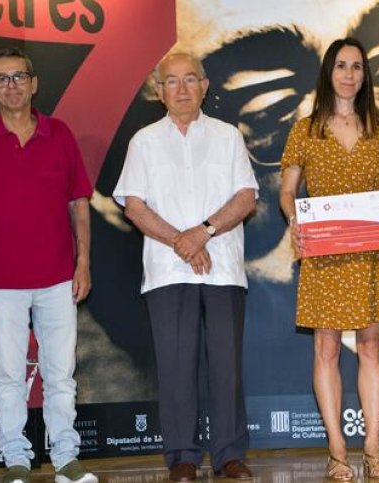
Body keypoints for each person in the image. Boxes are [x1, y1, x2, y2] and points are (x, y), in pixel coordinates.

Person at [113, 52, 258, 483]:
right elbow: (134, 206)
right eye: (171, 81)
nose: (181, 89)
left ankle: (229, 454)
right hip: (167, 270)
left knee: (226, 365)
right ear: (158, 92)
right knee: (176, 366)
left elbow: (246, 197)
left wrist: (205, 231)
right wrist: (183, 240)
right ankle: (182, 456)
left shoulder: (228, 136)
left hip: (223, 268)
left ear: (205, 85)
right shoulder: (144, 141)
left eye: (189, 79)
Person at [0, 48, 98, 483]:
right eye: (2, 79)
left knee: (61, 374)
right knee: (9, 377)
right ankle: (15, 458)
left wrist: (83, 263)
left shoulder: (60, 134)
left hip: (57, 279)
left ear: (34, 83)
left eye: (19, 77)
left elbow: (80, 205)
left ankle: (66, 460)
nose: (11, 85)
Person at [279, 37, 379, 480]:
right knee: (327, 347)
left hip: (373, 253)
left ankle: (373, 449)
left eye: (357, 66)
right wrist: (293, 222)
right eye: (341, 66)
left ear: (365, 74)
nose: (350, 74)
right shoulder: (305, 129)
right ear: (328, 72)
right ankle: (338, 452)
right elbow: (287, 190)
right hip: (325, 252)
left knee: (372, 348)